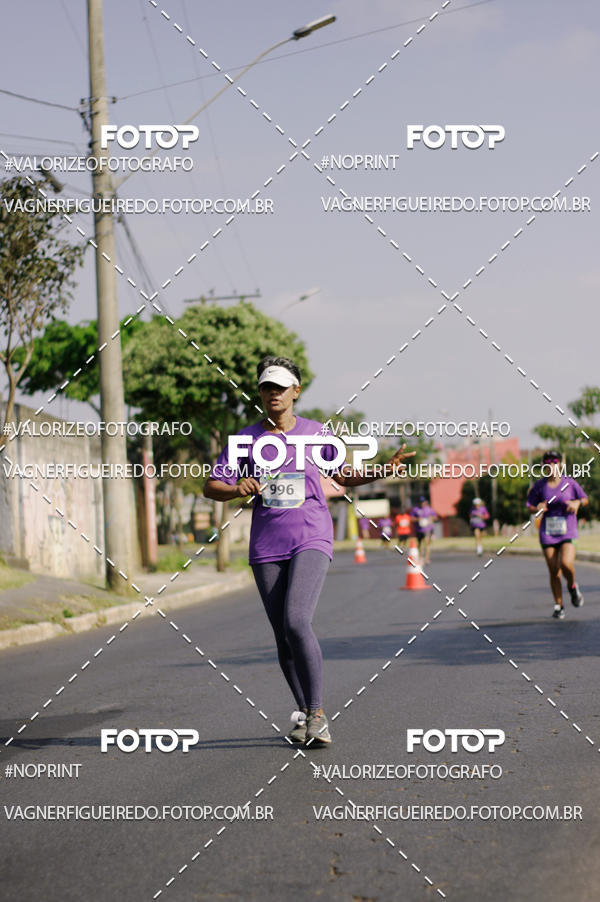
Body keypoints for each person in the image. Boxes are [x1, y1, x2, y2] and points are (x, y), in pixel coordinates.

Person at [204, 355, 414, 747]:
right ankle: (305, 714)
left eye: (281, 387)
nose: (274, 394)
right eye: (267, 387)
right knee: (283, 635)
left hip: (311, 535)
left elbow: (343, 476)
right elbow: (211, 486)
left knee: (297, 619)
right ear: (260, 393)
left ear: (296, 392)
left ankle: (318, 713)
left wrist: (383, 469)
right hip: (267, 543)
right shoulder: (245, 440)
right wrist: (238, 487)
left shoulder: (316, 433)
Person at [526, 450, 588, 620]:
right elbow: (529, 505)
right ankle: (559, 606)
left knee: (566, 564)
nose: (551, 464)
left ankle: (573, 587)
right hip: (548, 532)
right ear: (544, 465)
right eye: (547, 461)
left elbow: (584, 499)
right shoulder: (539, 486)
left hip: (568, 530)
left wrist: (577, 502)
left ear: (560, 463)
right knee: (554, 570)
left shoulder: (569, 483)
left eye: (554, 461)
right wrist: (537, 507)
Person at [410, 496, 438, 564]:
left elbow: (435, 517)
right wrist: (417, 519)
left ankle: (427, 559)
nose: (422, 503)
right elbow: (411, 518)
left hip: (427, 529)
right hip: (419, 529)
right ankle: (420, 558)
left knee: (427, 544)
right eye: (420, 502)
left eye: (423, 502)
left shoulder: (429, 509)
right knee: (419, 545)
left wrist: (431, 519)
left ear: (425, 502)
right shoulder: (415, 509)